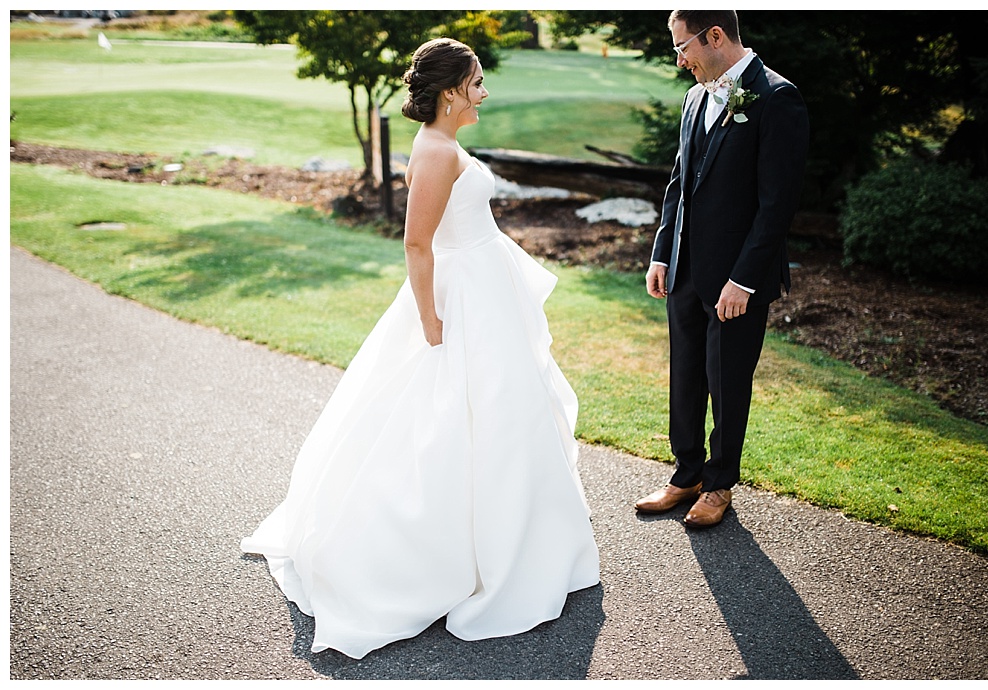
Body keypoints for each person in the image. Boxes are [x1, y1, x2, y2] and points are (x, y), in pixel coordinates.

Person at [241, 38, 600, 659]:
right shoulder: (434, 150)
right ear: (451, 90)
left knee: (508, 414)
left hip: (486, 292)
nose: (484, 92)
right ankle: (455, 554)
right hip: (460, 302)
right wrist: (431, 319)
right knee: (461, 418)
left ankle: (526, 540)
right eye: (477, 82)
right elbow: (416, 243)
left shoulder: (446, 145)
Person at [635, 11, 809, 527]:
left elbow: (777, 206)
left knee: (727, 380)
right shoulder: (695, 96)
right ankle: (685, 473)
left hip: (738, 279)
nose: (680, 59)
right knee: (685, 375)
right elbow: (679, 182)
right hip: (685, 268)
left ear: (715, 36)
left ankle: (718, 484)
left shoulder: (777, 98)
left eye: (682, 47)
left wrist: (745, 279)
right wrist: (663, 251)